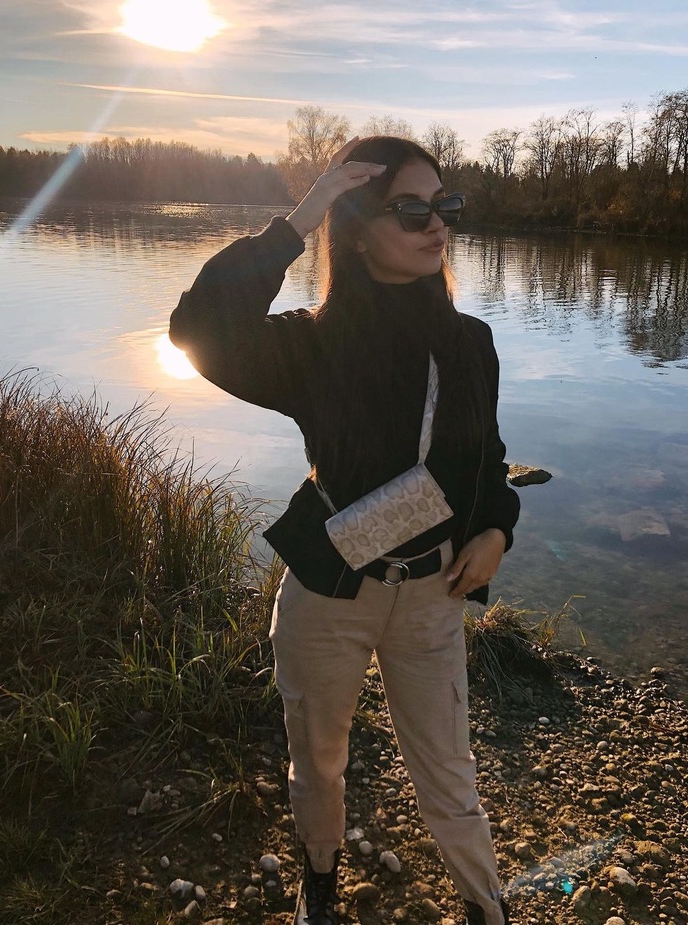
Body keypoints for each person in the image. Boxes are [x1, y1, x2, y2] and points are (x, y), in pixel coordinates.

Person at [169, 135, 519, 925]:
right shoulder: (314, 343)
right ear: (356, 232)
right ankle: (320, 877)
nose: (437, 224)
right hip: (328, 594)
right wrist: (300, 219)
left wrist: (497, 529)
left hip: (432, 593)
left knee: (449, 769)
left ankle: (486, 905)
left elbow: (488, 457)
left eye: (444, 205)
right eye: (411, 210)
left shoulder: (471, 343)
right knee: (319, 758)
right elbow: (197, 328)